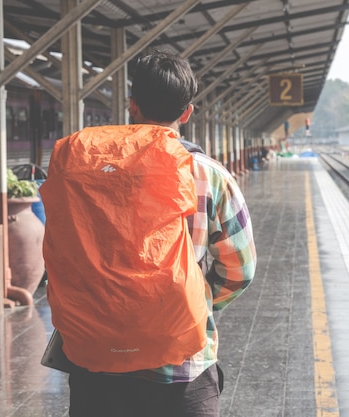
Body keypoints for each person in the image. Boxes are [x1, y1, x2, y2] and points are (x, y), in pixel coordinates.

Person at [41, 50, 256, 417]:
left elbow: (61, 252)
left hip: (95, 358)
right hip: (182, 366)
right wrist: (188, 304)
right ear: (186, 112)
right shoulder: (208, 174)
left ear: (132, 106)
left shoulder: (82, 168)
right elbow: (240, 269)